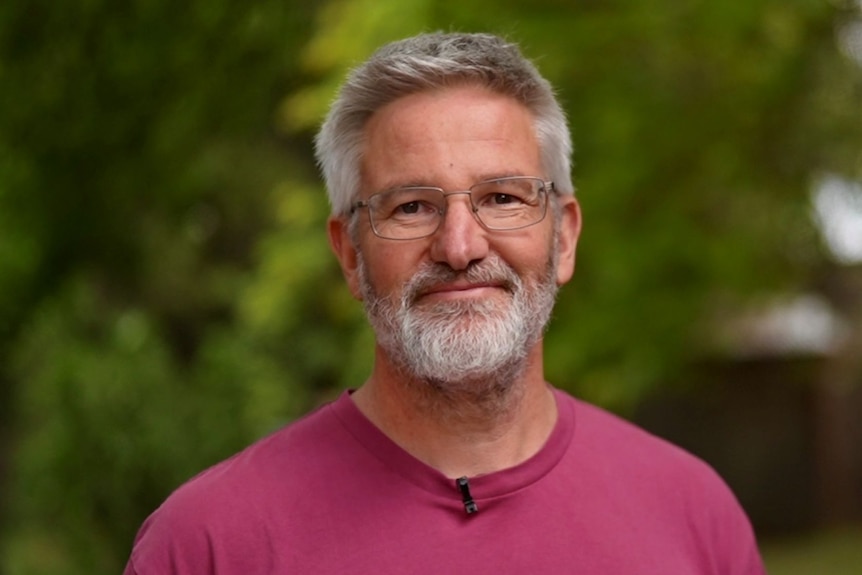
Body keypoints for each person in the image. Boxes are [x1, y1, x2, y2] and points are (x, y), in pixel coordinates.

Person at [124, 32, 766, 574]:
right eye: (411, 207)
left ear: (563, 237)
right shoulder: (208, 545)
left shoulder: (693, 516)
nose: (460, 246)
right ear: (349, 253)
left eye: (503, 198)